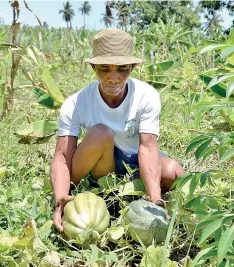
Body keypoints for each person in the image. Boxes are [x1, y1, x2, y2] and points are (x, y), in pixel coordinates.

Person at [50, 28, 184, 232]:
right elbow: (62, 157)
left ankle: (137, 194)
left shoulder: (146, 96)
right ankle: (87, 192)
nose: (114, 77)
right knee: (101, 132)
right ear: (94, 68)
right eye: (105, 69)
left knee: (173, 172)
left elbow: (148, 148)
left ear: (132, 67)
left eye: (122, 69)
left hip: (136, 160)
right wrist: (60, 196)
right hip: (103, 163)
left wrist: (155, 199)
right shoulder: (76, 103)